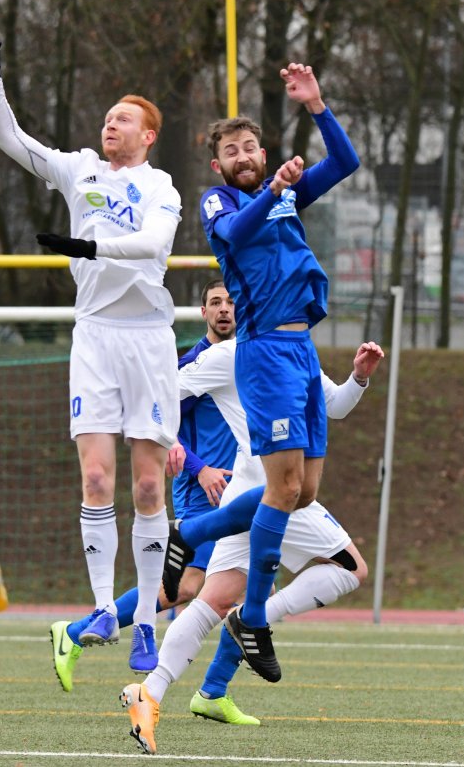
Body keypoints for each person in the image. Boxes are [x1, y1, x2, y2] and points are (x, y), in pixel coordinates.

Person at [0, 21, 183, 673]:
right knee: (96, 477)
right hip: (94, 335)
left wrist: (89, 245)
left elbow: (152, 246)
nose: (109, 125)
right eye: (107, 117)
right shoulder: (77, 170)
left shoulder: (161, 187)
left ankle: (145, 620)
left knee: (149, 485)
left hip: (148, 340)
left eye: (123, 119)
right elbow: (7, 136)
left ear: (148, 135)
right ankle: (102, 610)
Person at [120, 337, 384, 754]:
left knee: (212, 601)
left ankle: (149, 692)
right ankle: (251, 617)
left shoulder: (298, 349)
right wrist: (168, 439)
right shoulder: (229, 354)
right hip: (278, 492)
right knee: (352, 569)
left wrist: (359, 378)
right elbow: (164, 390)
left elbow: (335, 405)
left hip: (257, 488)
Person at [196, 63, 361, 680]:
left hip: (301, 351)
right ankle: (254, 617)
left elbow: (345, 163)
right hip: (263, 350)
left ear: (263, 153)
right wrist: (271, 191)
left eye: (249, 147)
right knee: (285, 490)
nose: (241, 156)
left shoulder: (286, 192)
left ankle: (199, 530)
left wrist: (317, 105)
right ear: (219, 165)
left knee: (304, 493)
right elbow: (237, 233)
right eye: (229, 151)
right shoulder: (225, 201)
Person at [48, 278, 237, 690]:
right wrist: (200, 467)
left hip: (238, 490)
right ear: (203, 312)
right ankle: (79, 632)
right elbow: (163, 425)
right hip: (203, 490)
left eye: (231, 302)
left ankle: (212, 690)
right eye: (215, 302)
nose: (224, 309)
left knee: (241, 584)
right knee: (190, 585)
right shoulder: (191, 364)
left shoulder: (244, 358)